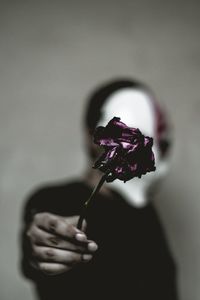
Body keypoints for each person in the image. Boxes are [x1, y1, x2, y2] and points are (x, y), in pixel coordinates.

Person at [20, 79, 178, 300]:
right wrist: (42, 246)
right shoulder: (56, 200)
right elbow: (42, 239)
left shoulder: (143, 210)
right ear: (90, 135)